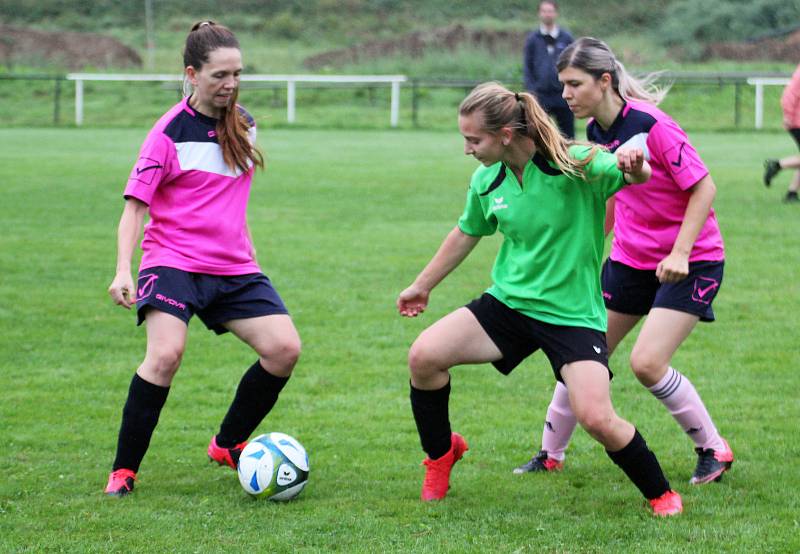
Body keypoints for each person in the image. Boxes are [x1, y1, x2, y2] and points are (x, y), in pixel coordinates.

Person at [397, 81, 683, 516]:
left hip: (572, 315)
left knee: (596, 418)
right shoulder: (486, 179)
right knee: (424, 357)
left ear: (505, 135)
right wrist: (422, 285)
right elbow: (466, 233)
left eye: (474, 140)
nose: (467, 149)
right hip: (509, 306)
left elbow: (634, 175)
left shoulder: (578, 164)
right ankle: (440, 456)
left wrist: (635, 163)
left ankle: (662, 494)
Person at [514, 37, 733, 487]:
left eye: (575, 84)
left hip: (690, 262)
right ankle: (550, 453)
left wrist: (679, 253)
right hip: (630, 259)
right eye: (563, 85)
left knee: (647, 364)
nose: (567, 94)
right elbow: (611, 190)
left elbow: (704, 188)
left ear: (605, 80)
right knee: (582, 355)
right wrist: (593, 242)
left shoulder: (652, 125)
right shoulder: (597, 129)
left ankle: (714, 450)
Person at [104, 21, 301, 496]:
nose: (230, 84)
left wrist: (246, 248)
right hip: (172, 261)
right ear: (192, 74)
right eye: (219, 75)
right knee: (166, 355)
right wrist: (122, 269)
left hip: (232, 266)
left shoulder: (245, 124)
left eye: (237, 74)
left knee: (284, 350)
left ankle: (228, 443)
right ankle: (123, 471)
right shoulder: (167, 133)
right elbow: (135, 209)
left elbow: (231, 196)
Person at [523, 0, 575, 138]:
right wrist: (531, 91)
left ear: (555, 13)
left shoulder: (566, 37)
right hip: (540, 96)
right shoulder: (532, 39)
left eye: (550, 11)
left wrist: (571, 87)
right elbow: (527, 67)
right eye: (544, 11)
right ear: (540, 13)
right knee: (539, 134)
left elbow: (574, 64)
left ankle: (570, 160)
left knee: (568, 134)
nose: (547, 14)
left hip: (563, 94)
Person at [763, 61, 800, 203]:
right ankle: (778, 165)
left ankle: (791, 194)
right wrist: (788, 116)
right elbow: (789, 95)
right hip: (797, 122)